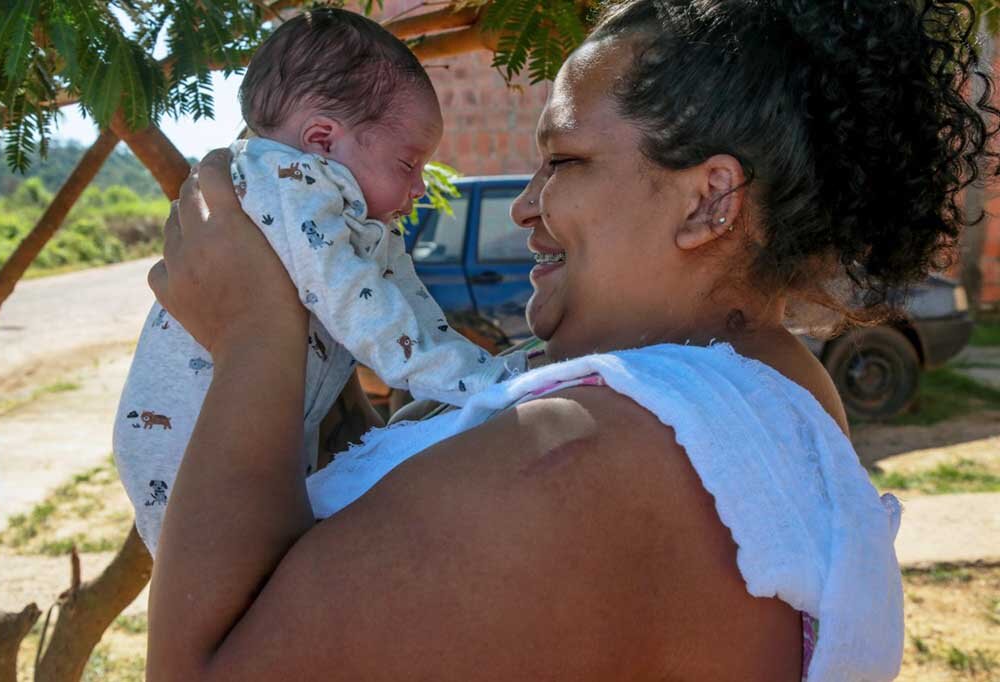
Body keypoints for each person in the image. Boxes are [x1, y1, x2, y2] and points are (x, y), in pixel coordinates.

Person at [144, 0, 998, 679]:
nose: (524, 206)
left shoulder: (589, 461)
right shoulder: (776, 390)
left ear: (708, 200)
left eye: (564, 163)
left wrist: (256, 334)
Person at [113, 8, 524, 555]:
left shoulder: (358, 217)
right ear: (323, 140)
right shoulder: (281, 180)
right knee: (221, 576)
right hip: (182, 445)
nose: (422, 186)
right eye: (408, 164)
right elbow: (360, 309)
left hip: (264, 434)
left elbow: (412, 314)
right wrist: (486, 386)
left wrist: (482, 374)